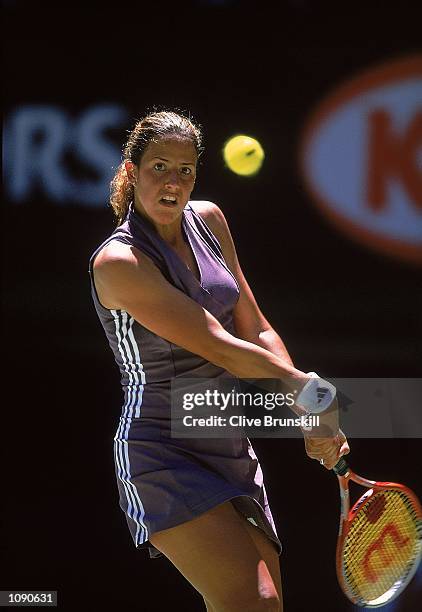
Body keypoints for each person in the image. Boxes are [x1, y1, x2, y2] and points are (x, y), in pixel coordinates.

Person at [88, 110, 349, 612]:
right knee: (253, 600)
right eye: (159, 166)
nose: (173, 182)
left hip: (227, 439)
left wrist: (306, 408)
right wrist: (307, 390)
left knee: (267, 607)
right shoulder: (118, 264)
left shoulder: (209, 220)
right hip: (160, 448)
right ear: (130, 173)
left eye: (185, 170)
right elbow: (217, 343)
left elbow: (254, 325)